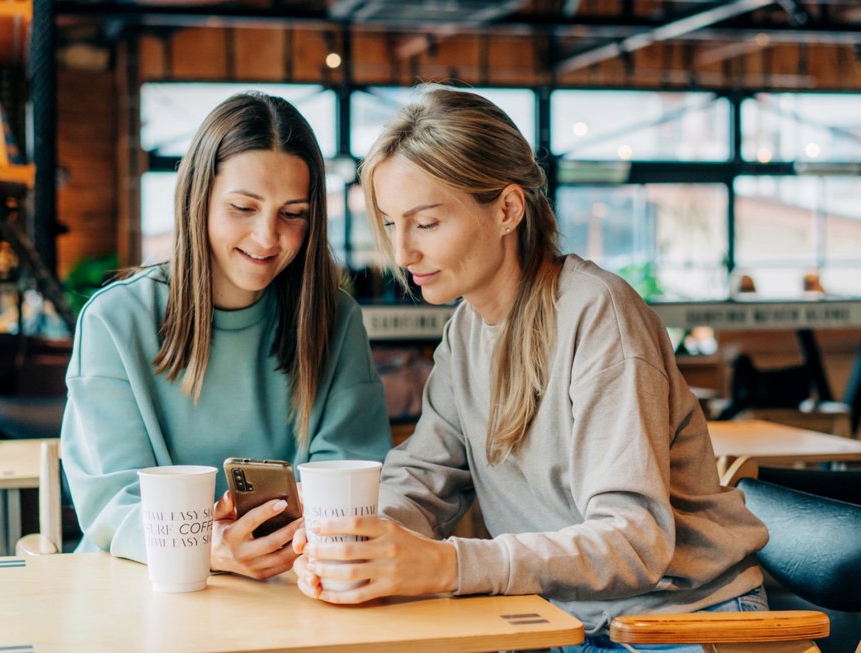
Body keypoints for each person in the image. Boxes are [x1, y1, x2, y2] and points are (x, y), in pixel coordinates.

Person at [292, 87, 769, 650]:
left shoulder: (597, 314)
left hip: (679, 622)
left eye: (426, 223)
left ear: (507, 210)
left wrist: (450, 565)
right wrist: (355, 541)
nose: (402, 253)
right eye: (392, 224)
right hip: (565, 618)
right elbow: (422, 481)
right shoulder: (466, 332)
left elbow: (635, 542)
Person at [61, 92, 391, 580]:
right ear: (198, 199)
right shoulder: (114, 319)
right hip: (141, 580)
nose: (267, 237)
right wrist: (206, 547)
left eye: (292, 213)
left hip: (292, 582)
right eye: (243, 207)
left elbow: (347, 475)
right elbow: (113, 501)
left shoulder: (335, 319)